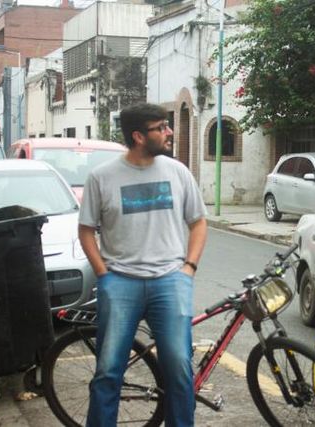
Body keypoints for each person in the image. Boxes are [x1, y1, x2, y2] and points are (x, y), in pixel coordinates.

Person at [78, 103, 207, 427]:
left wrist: (188, 267)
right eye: (161, 127)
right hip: (120, 281)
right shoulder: (102, 177)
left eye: (168, 126)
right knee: (109, 369)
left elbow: (199, 222)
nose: (169, 132)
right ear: (138, 136)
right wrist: (105, 275)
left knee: (178, 366)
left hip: (170, 280)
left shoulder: (178, 172)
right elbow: (86, 229)